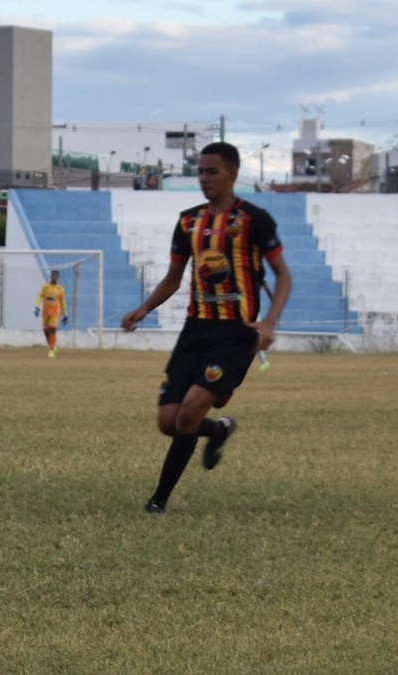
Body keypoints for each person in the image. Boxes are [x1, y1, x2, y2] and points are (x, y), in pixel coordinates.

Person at [121, 141, 293, 515]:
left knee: (188, 413)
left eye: (211, 171)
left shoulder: (255, 219)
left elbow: (283, 276)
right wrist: (143, 308)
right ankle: (217, 430)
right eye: (200, 171)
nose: (204, 178)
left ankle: (158, 500)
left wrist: (269, 322)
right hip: (195, 329)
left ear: (232, 173)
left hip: (236, 333)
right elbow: (173, 278)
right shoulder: (188, 221)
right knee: (168, 422)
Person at [34, 269, 68, 358]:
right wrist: (37, 307)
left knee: (52, 328)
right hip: (46, 312)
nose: (54, 277)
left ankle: (51, 350)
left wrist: (65, 314)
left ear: (58, 278)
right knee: (46, 331)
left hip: (55, 312)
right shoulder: (45, 287)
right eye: (53, 276)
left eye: (56, 276)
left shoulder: (60, 289)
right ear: (51, 276)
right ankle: (52, 345)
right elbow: (40, 297)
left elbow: (63, 302)